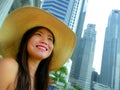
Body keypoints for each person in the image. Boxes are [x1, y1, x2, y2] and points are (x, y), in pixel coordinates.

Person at [0, 7, 76, 90]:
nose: (45, 41)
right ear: (26, 39)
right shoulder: (9, 66)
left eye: (50, 39)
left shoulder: (42, 83)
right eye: (38, 34)